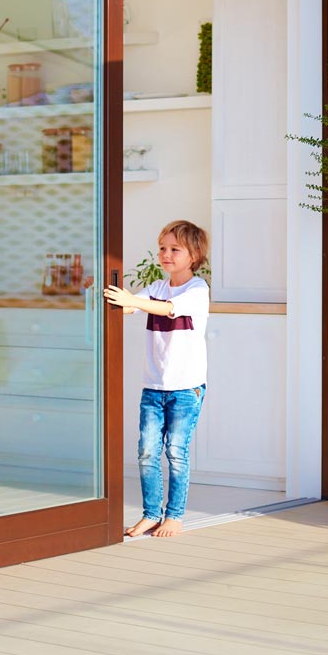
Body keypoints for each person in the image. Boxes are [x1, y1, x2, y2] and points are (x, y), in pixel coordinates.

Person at [104, 220, 210, 538]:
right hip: (153, 387)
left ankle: (174, 516)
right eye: (162, 248)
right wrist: (104, 293)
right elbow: (129, 308)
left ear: (194, 255)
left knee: (176, 451)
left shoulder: (197, 290)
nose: (166, 254)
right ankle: (151, 514)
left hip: (186, 389)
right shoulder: (156, 287)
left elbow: (165, 309)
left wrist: (132, 301)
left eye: (174, 249)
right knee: (147, 452)